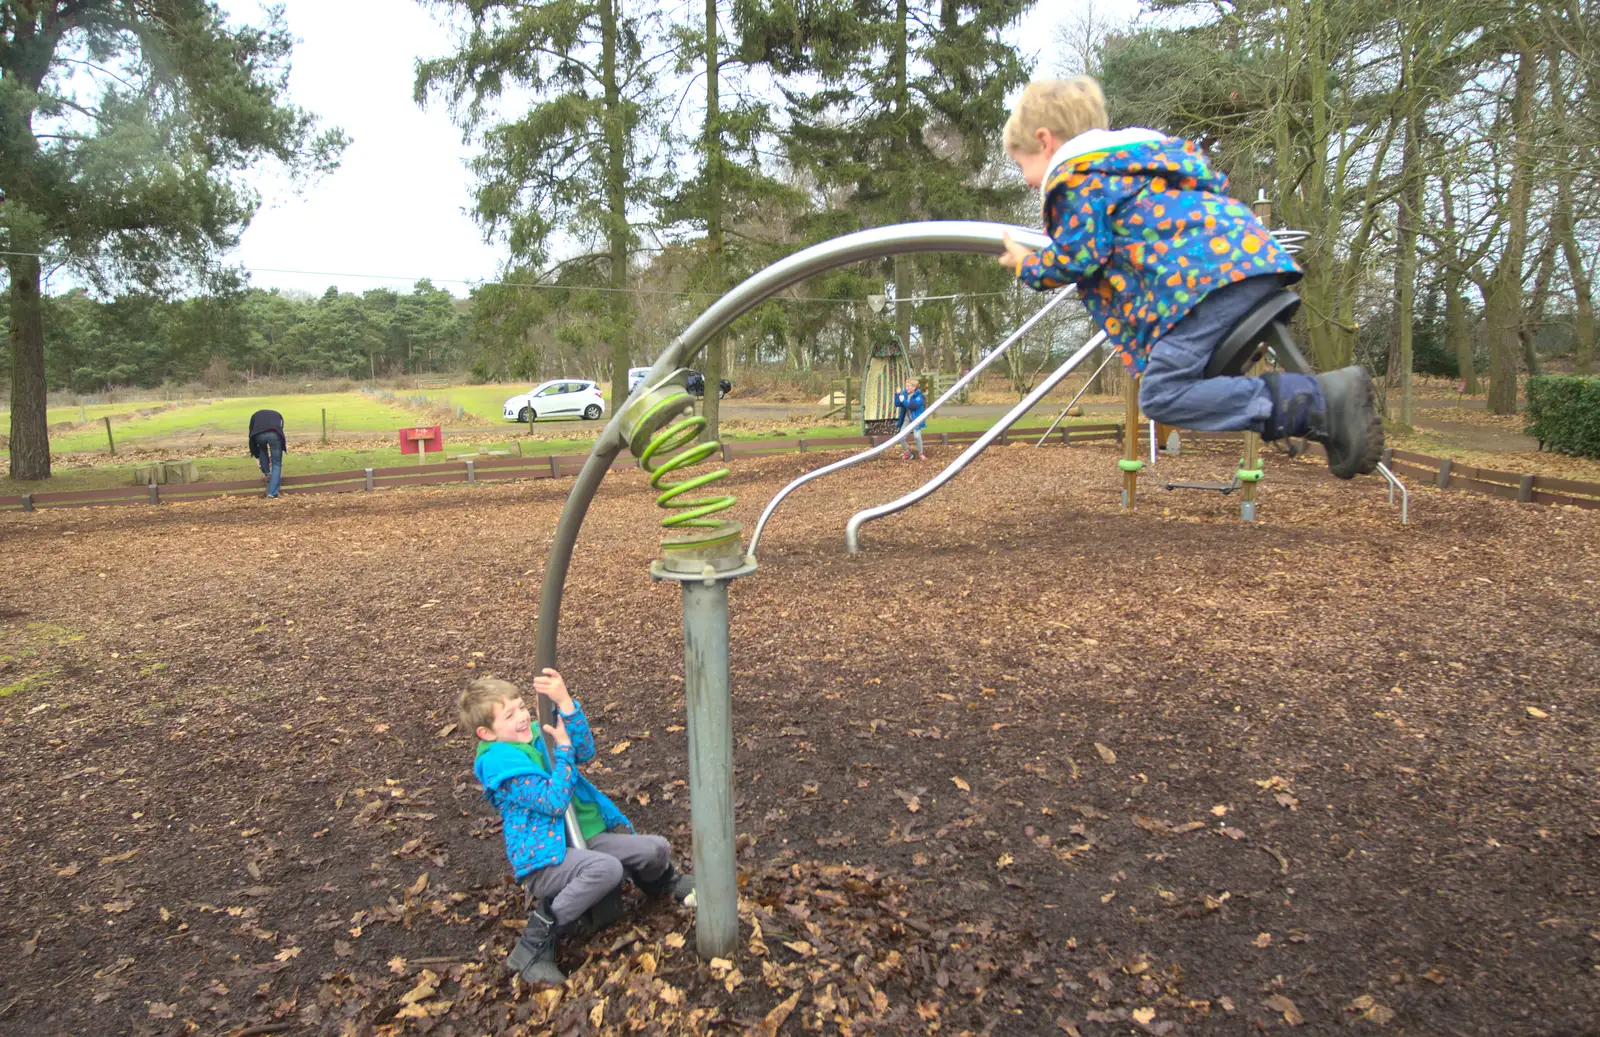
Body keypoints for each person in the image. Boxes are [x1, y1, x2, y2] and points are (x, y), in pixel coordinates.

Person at [995, 77, 1382, 479]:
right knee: (1197, 381)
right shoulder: (1141, 163)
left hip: (1203, 286)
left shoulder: (1076, 175)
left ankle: (1317, 403)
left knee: (1163, 394)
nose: (1028, 180)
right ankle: (1322, 413)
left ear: (1045, 141)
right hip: (1252, 263)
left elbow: (1080, 257)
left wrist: (1028, 265)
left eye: (1022, 164)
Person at [461, 670, 694, 986]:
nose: (521, 715)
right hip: (546, 860)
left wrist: (565, 703)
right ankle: (533, 946)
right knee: (606, 870)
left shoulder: (535, 733)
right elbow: (554, 801)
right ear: (486, 733)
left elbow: (585, 750)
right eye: (509, 714)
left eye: (520, 706)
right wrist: (564, 751)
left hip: (584, 837)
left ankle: (662, 885)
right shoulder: (501, 766)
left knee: (656, 849)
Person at [247, 409, 286, 498]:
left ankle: (267, 473)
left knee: (262, 450)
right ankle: (272, 493)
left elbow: (251, 432)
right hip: (274, 434)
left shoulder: (255, 415)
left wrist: (255, 453)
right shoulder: (278, 415)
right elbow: (280, 428)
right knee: (276, 463)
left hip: (259, 435)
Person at [894, 377, 927, 460]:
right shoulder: (904, 394)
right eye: (906, 386)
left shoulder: (919, 396)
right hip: (907, 419)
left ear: (914, 387)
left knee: (917, 436)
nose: (907, 388)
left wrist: (903, 400)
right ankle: (907, 452)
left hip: (916, 419)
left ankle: (920, 453)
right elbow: (897, 404)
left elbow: (912, 406)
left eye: (909, 386)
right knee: (901, 436)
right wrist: (897, 394)